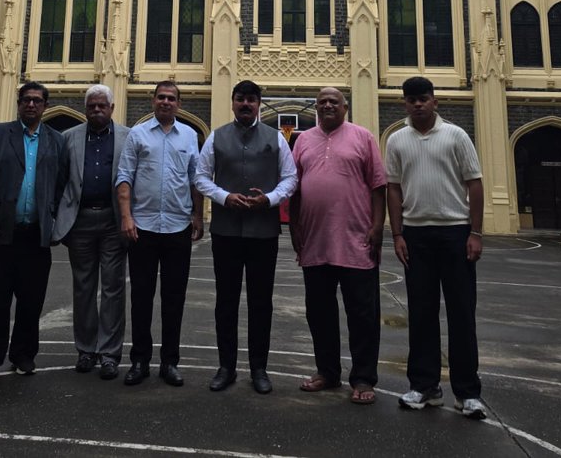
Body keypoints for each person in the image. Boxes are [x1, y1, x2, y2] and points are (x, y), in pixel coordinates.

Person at [385, 76, 487, 420]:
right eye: (411, 99)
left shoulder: (456, 136)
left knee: (461, 314)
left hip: (455, 233)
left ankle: (467, 393)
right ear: (405, 103)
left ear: (434, 102)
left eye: (423, 98)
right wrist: (397, 233)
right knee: (421, 313)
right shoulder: (397, 139)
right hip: (416, 236)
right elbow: (394, 189)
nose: (418, 104)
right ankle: (425, 386)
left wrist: (476, 232)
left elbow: (474, 183)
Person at [194, 80, 297, 395]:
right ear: (233, 102)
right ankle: (226, 367)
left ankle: (259, 369)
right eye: (240, 99)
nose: (246, 104)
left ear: (258, 104)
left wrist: (269, 199)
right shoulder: (216, 136)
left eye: (251, 100)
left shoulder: (276, 138)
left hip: (263, 233)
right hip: (225, 231)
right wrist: (224, 197)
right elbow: (200, 176)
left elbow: (291, 178)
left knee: (260, 302)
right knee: (225, 302)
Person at [289, 87, 386, 405]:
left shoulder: (363, 137)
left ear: (345, 107)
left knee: (363, 314)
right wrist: (294, 229)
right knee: (319, 312)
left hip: (356, 241)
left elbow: (377, 186)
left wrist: (376, 227)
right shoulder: (302, 140)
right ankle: (327, 372)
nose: (328, 105)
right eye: (322, 102)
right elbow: (295, 189)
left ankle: (362, 377)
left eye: (334, 101)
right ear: (315, 107)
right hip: (315, 242)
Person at [0, 81, 70, 380]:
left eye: (37, 101)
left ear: (45, 106)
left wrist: (54, 221)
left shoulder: (56, 140)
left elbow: (61, 184)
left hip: (35, 234)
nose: (31, 105)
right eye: (26, 99)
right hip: (0, 231)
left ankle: (24, 354)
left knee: (31, 300)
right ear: (18, 102)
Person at [116, 81, 203, 387]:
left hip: (177, 227)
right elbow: (124, 176)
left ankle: (170, 362)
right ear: (153, 101)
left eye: (172, 98)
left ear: (179, 104)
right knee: (141, 297)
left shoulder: (190, 136)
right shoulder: (137, 134)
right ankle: (139, 360)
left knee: (174, 298)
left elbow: (196, 179)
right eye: (161, 97)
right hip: (143, 228)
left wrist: (197, 215)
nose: (166, 102)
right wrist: (126, 217)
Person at [53, 84, 131, 381]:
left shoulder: (128, 137)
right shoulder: (68, 138)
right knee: (83, 287)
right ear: (85, 110)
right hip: (81, 221)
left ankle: (109, 353)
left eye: (102, 106)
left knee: (113, 288)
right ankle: (86, 348)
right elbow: (60, 182)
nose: (97, 110)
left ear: (112, 108)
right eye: (92, 106)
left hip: (113, 221)